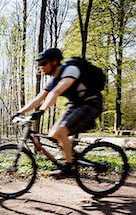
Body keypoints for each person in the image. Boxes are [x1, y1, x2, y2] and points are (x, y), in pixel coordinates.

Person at [14, 48, 103, 178]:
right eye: (40, 65)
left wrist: (41, 111)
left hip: (91, 103)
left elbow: (55, 92)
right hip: (77, 106)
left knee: (62, 130)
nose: (41, 67)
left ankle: (69, 167)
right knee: (54, 134)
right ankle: (73, 159)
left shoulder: (70, 70)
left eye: (43, 63)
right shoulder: (54, 80)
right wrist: (19, 112)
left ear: (54, 62)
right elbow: (38, 98)